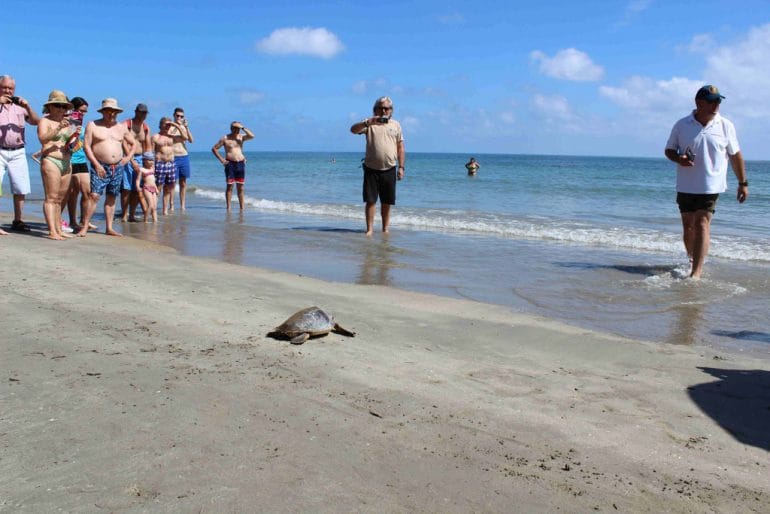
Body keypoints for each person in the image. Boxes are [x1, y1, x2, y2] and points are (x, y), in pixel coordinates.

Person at [664, 85, 747, 279]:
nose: (717, 104)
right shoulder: (682, 124)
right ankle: (692, 258)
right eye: (712, 100)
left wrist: (743, 183)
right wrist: (679, 159)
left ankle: (696, 273)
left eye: (718, 100)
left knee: (702, 222)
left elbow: (735, 155)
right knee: (688, 226)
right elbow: (669, 150)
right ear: (699, 103)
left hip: (711, 185)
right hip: (685, 184)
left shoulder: (725, 125)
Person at [349, 96, 405, 235]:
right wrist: (368, 123)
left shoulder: (396, 125)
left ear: (391, 110)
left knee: (386, 202)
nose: (384, 110)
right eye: (381, 108)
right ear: (375, 109)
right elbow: (353, 130)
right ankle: (369, 230)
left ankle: (385, 229)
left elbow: (400, 147)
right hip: (371, 168)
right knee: (370, 201)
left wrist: (401, 167)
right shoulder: (369, 123)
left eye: (387, 108)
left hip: (390, 168)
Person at [79, 98, 135, 237]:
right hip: (100, 165)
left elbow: (133, 143)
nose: (112, 114)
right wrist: (96, 164)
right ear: (103, 111)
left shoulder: (121, 127)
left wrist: (127, 158)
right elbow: (86, 146)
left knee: (112, 196)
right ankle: (85, 226)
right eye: (109, 111)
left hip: (118, 167)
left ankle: (109, 228)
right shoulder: (93, 125)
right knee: (94, 196)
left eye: (114, 111)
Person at [0, 74, 41, 234]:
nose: (8, 91)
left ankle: (18, 220)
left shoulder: (19, 106)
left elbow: (36, 121)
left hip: (17, 151)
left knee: (20, 187)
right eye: (4, 87)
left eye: (10, 88)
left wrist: (28, 106)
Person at [36, 91, 78, 240]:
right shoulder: (45, 121)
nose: (61, 109)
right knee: (51, 197)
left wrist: (74, 134)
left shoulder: (68, 122)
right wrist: (58, 128)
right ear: (50, 107)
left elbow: (71, 143)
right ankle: (52, 231)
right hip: (51, 160)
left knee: (60, 199)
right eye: (57, 106)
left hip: (66, 161)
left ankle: (58, 229)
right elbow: (42, 139)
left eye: (63, 106)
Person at [211, 122, 254, 211]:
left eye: (238, 128)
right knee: (230, 186)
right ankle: (228, 208)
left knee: (240, 187)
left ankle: (242, 208)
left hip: (241, 163)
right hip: (230, 164)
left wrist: (243, 127)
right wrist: (222, 160)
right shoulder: (225, 138)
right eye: (235, 128)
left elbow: (252, 136)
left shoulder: (241, 137)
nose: (237, 130)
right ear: (231, 128)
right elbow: (214, 148)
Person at [151, 117, 188, 215]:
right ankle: (153, 210)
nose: (167, 126)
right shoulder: (155, 137)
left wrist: (176, 125)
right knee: (157, 189)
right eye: (165, 124)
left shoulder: (171, 136)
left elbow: (185, 137)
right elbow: (150, 152)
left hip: (171, 164)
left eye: (169, 125)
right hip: (160, 164)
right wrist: (152, 166)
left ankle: (165, 210)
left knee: (168, 188)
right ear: (160, 125)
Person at [66, 97, 93, 232]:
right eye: (81, 111)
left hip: (82, 160)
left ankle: (84, 220)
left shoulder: (82, 126)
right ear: (74, 108)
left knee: (87, 191)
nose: (83, 114)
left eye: (85, 112)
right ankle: (72, 221)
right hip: (71, 160)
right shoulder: (69, 123)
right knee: (73, 192)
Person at [121, 103, 151, 222]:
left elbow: (148, 146)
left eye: (145, 113)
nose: (143, 115)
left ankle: (132, 214)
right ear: (136, 112)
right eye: (141, 112)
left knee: (137, 189)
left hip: (141, 159)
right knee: (126, 188)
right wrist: (131, 159)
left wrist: (149, 164)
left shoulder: (146, 127)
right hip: (127, 157)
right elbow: (123, 143)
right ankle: (124, 214)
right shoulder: (127, 124)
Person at [169, 107, 193, 211]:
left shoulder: (184, 128)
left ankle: (183, 205)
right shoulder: (169, 126)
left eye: (181, 116)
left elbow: (190, 140)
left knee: (183, 182)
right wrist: (176, 127)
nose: (179, 118)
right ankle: (171, 205)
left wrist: (186, 128)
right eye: (177, 116)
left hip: (184, 156)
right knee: (172, 182)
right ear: (174, 115)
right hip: (173, 156)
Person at [131, 151, 158, 223]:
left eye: (152, 160)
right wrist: (137, 187)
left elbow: (153, 180)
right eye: (149, 160)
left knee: (154, 207)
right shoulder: (142, 169)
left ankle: (155, 221)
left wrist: (156, 188)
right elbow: (138, 180)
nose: (151, 162)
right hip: (146, 188)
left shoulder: (152, 169)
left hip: (154, 189)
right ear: (144, 160)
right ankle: (145, 220)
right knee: (150, 205)